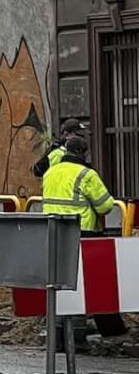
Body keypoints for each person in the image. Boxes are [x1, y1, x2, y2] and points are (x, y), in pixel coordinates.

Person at [40, 129, 127, 339]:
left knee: (63, 286)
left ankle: (61, 336)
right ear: (83, 153)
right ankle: (111, 330)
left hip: (55, 233)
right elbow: (106, 205)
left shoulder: (51, 172)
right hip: (85, 234)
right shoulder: (86, 174)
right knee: (98, 285)